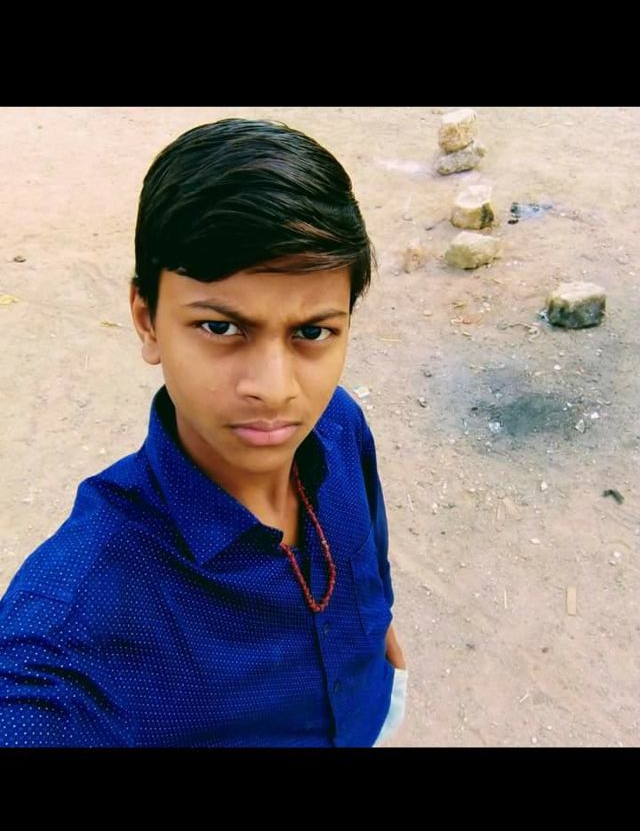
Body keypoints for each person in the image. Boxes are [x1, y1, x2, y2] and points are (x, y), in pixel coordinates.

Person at [0, 117, 407, 747]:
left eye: (312, 332)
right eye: (221, 328)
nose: (274, 389)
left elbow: (368, 547)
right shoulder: (67, 638)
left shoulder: (336, 424)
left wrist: (376, 625)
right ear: (147, 321)